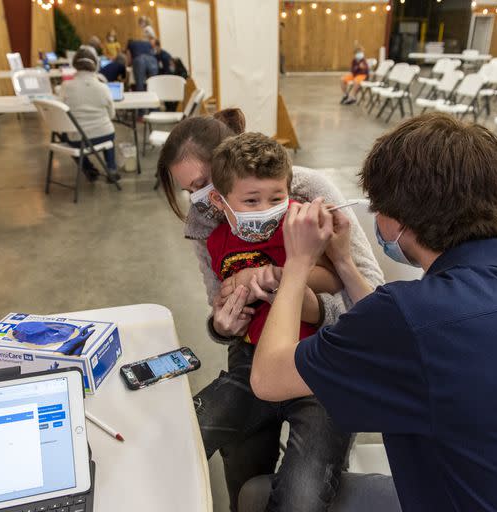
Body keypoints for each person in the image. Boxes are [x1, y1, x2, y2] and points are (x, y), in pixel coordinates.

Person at [250, 113, 497, 511]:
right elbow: (407, 327)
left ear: (397, 223)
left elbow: (269, 378)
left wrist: (298, 262)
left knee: (256, 496)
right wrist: (342, 263)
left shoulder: (406, 317)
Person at [156, 109, 383, 511]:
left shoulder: (304, 201)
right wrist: (223, 324)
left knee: (303, 491)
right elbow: (219, 302)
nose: (201, 200)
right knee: (209, 452)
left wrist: (281, 277)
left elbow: (359, 290)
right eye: (192, 191)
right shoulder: (209, 223)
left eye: (204, 184)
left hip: (318, 356)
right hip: (252, 356)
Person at [60, 48, 120, 183]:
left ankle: (89, 169)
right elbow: (111, 115)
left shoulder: (65, 86)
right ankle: (111, 169)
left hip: (78, 139)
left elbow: (61, 113)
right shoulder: (103, 87)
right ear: (95, 65)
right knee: (108, 136)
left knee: (64, 137)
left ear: (74, 63)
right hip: (105, 134)